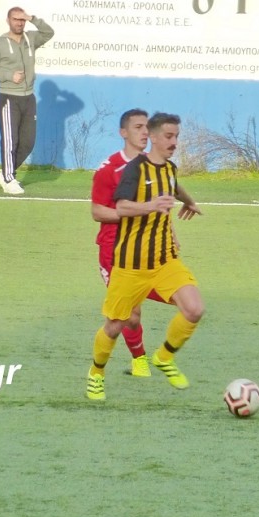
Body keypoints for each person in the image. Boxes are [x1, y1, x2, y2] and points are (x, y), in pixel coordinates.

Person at [86, 112, 204, 400]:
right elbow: (121, 207)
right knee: (117, 324)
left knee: (194, 309)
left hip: (164, 261)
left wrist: (189, 202)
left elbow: (172, 186)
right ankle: (97, 373)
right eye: (169, 136)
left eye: (176, 136)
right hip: (129, 264)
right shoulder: (131, 169)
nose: (174, 142)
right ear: (152, 137)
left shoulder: (169, 168)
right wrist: (151, 206)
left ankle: (163, 357)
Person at [91, 109, 169, 378]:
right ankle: (139, 361)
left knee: (184, 297)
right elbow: (97, 211)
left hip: (146, 248)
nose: (145, 132)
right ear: (123, 133)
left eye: (147, 127)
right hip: (113, 251)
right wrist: (132, 213)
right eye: (138, 127)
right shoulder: (108, 169)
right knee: (130, 315)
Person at [0, 7, 54, 195]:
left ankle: (4, 173)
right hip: (8, 97)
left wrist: (32, 18)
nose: (19, 23)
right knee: (10, 141)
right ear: (8, 20)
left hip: (28, 98)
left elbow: (49, 33)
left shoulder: (30, 39)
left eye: (22, 20)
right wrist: (9, 75)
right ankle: (9, 179)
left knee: (28, 142)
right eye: (16, 19)